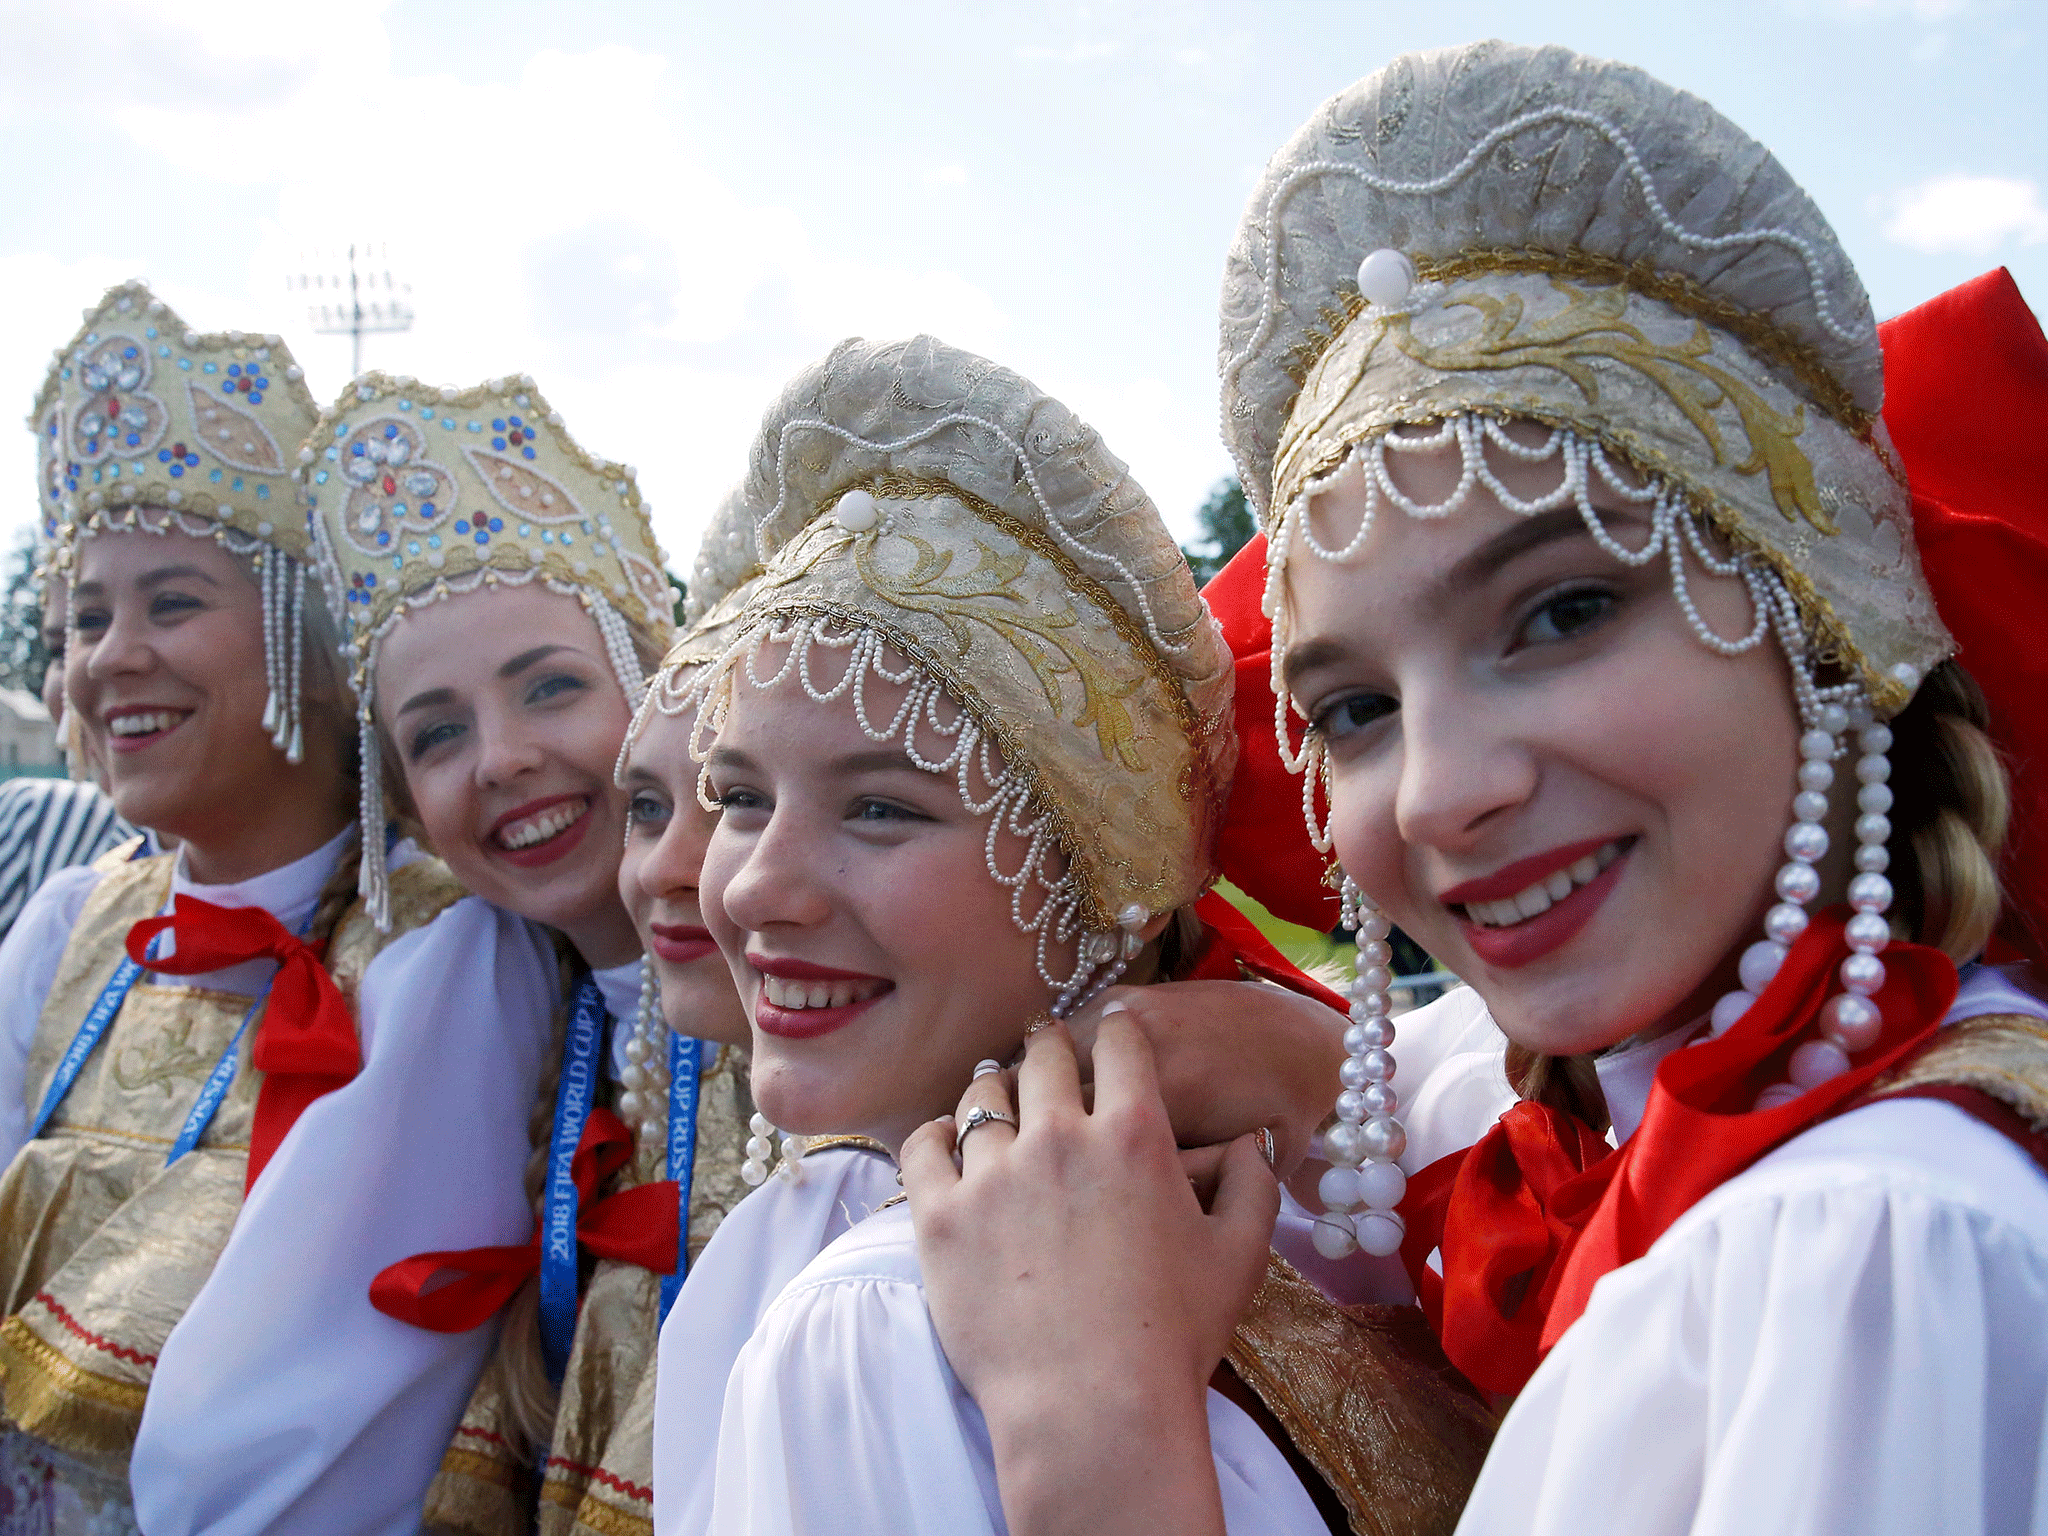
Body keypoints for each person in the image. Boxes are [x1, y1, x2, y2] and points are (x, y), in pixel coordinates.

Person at [903, 41, 2048, 1536]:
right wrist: (1299, 1070)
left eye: (1563, 613)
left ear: (1823, 617)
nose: (1440, 793)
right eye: (1359, 710)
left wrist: (1093, 1433)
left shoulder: (1864, 1249)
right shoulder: (1673, 1132)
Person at [651, 335, 1495, 1536]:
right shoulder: (866, 1301)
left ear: (1102, 876)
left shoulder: (890, 1319)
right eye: (736, 798)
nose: (749, 890)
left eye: (880, 807)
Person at [0, 281, 539, 1536]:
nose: (111, 655)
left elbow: (329, 1407)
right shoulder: (70, 924)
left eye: (171, 603)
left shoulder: (437, 943)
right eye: (86, 617)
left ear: (311, 645)